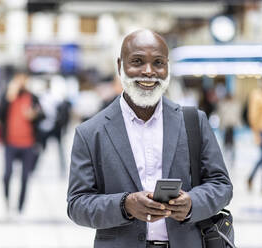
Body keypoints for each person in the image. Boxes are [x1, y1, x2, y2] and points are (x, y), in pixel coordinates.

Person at [67, 29, 232, 248]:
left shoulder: (193, 122)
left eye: (158, 63)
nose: (148, 71)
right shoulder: (90, 132)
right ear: (120, 66)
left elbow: (221, 185)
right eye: (137, 61)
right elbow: (77, 205)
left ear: (167, 68)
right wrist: (125, 205)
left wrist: (192, 203)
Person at [0, 69, 44, 214]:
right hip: (10, 142)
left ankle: (20, 207)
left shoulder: (33, 97)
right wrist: (8, 98)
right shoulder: (7, 96)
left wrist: (34, 115)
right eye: (19, 79)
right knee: (7, 174)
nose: (22, 82)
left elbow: (42, 114)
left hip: (28, 143)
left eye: (24, 78)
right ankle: (7, 201)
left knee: (25, 177)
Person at [217, 93, 242, 167]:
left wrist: (238, 125)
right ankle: (226, 159)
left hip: (232, 127)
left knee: (232, 144)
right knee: (226, 144)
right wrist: (221, 126)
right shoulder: (223, 105)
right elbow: (221, 116)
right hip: (226, 127)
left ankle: (232, 159)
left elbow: (237, 116)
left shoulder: (235, 105)